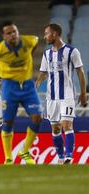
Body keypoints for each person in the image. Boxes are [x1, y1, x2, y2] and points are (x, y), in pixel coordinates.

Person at [0, 21, 42, 165]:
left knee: (37, 117)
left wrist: (28, 56)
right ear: (4, 36)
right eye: (9, 33)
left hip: (28, 85)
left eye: (14, 31)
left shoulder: (28, 41)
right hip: (10, 86)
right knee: (8, 121)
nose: (13, 35)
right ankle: (8, 157)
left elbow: (36, 40)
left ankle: (25, 151)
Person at [36, 23, 87, 164]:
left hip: (68, 95)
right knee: (55, 128)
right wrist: (37, 82)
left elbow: (80, 73)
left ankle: (69, 156)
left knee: (66, 125)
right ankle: (60, 157)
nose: (44, 36)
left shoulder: (72, 51)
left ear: (55, 34)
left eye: (46, 33)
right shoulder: (46, 54)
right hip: (51, 97)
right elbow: (43, 72)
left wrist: (83, 93)